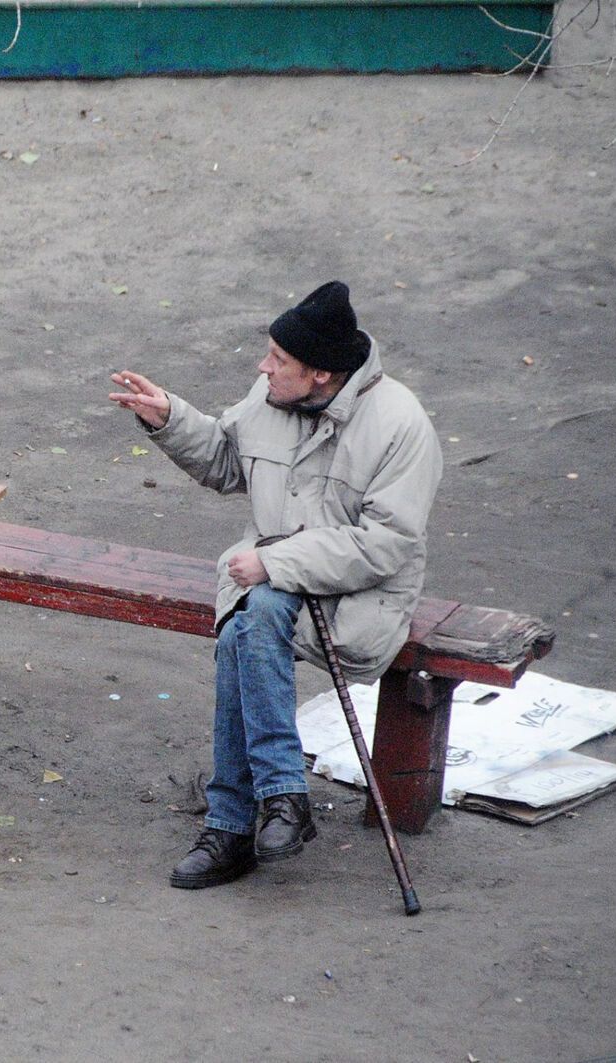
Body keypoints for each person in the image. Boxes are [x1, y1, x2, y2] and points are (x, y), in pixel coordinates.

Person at [109, 280, 442, 889]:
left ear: (319, 374)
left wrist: (279, 563)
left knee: (250, 616)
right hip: (271, 579)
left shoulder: (400, 425)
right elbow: (227, 463)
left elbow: (387, 546)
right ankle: (282, 797)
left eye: (278, 359)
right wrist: (170, 419)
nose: (264, 367)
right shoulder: (270, 398)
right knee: (254, 615)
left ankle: (231, 826)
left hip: (359, 596)